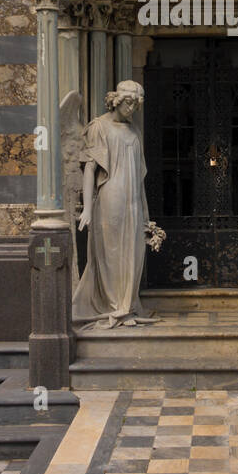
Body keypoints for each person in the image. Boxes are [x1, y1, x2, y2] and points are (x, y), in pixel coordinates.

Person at [73, 81, 155, 327]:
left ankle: (127, 304)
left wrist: (145, 215)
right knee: (112, 254)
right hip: (111, 196)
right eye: (128, 103)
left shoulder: (134, 131)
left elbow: (140, 176)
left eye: (136, 105)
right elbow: (90, 168)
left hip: (133, 198)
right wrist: (87, 207)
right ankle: (113, 305)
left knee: (133, 251)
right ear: (116, 100)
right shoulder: (99, 126)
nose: (131, 109)